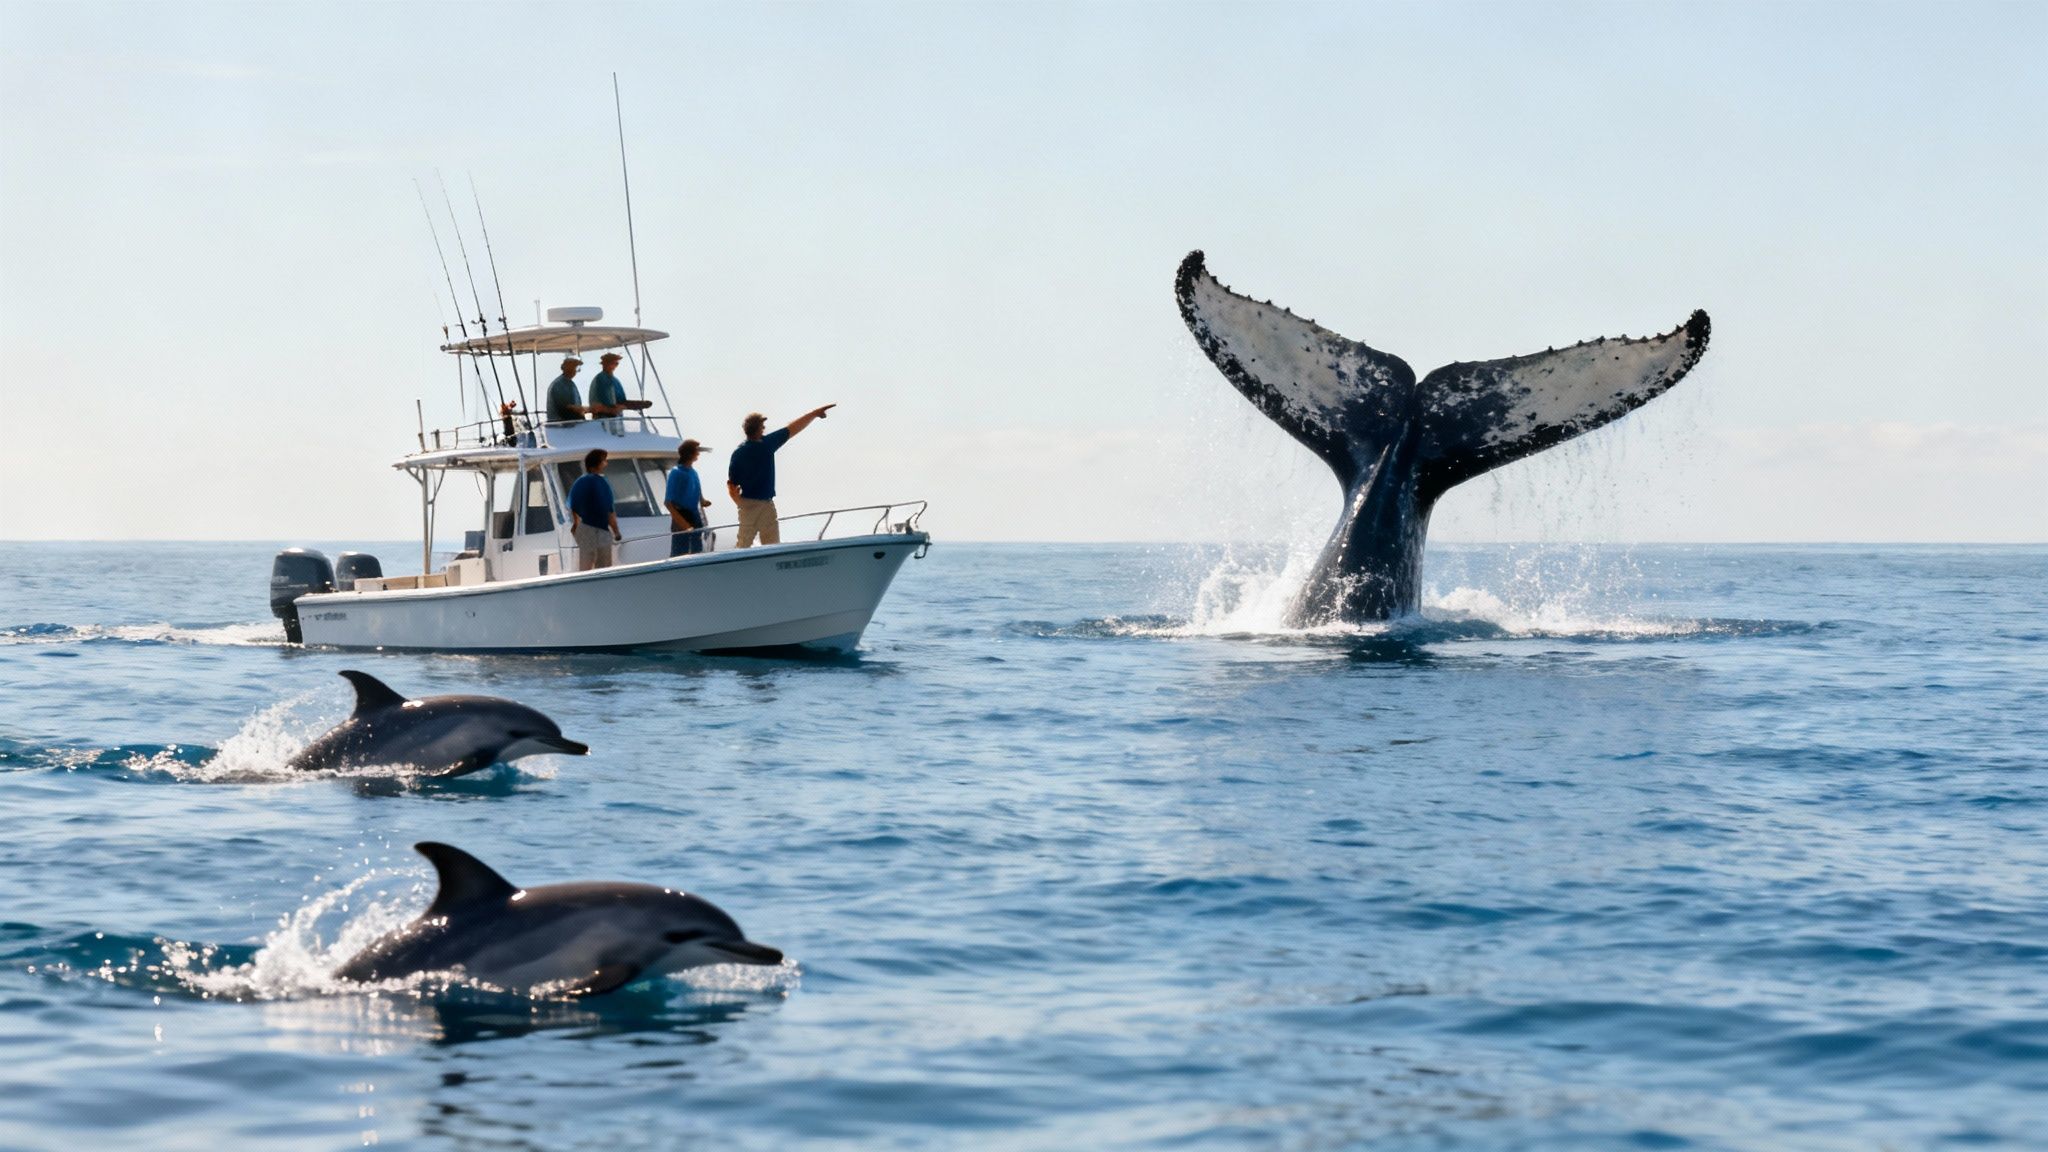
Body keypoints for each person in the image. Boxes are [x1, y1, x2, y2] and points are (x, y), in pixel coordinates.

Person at [726, 404, 834, 548]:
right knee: (772, 546)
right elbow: (793, 428)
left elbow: (732, 484)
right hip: (765, 505)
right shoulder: (767, 444)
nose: (764, 430)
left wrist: (739, 502)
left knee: (743, 545)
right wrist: (814, 413)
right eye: (762, 427)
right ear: (759, 429)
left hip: (747, 505)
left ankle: (736, 568)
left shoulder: (738, 453)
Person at [567, 448, 621, 570]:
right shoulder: (601, 482)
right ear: (597, 463)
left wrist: (576, 524)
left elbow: (573, 506)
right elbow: (608, 510)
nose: (606, 463)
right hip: (600, 531)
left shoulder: (579, 482)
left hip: (584, 529)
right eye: (604, 461)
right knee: (603, 570)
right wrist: (616, 532)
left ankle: (584, 589)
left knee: (584, 569)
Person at [664, 439, 714, 556]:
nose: (699, 453)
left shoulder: (693, 472)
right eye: (697, 451)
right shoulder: (676, 473)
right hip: (682, 516)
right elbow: (668, 503)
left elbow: (697, 491)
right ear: (690, 454)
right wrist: (684, 525)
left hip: (695, 516)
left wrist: (703, 501)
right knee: (680, 554)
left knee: (697, 552)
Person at [587, 352, 654, 421]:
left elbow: (622, 401)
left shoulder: (615, 381)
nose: (615, 366)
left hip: (616, 418)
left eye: (616, 364)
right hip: (603, 419)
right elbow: (601, 405)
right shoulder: (600, 379)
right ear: (604, 364)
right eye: (613, 363)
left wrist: (640, 404)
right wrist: (615, 408)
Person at [545, 357, 589, 424]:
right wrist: (586, 409)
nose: (575, 371)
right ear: (567, 368)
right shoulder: (558, 385)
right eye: (574, 367)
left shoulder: (571, 384)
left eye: (576, 368)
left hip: (572, 425)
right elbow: (565, 409)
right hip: (561, 427)